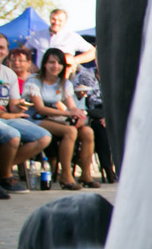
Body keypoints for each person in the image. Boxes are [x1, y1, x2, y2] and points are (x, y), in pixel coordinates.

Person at [24, 48, 98, 189]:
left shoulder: (64, 83)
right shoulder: (34, 81)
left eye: (59, 63)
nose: (55, 66)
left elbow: (71, 107)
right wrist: (68, 114)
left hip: (57, 119)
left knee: (87, 132)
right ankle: (66, 175)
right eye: (52, 62)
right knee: (70, 132)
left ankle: (85, 175)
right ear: (44, 64)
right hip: (35, 119)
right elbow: (40, 108)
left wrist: (80, 115)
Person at [0, 31, 51, 193]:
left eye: (1, 47)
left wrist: (20, 106)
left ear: (6, 51)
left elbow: (14, 106)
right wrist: (9, 114)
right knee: (13, 136)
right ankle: (6, 176)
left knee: (44, 137)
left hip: (5, 116)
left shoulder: (9, 74)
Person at [25, 8, 96, 76]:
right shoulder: (39, 35)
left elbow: (93, 52)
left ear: (65, 22)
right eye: (53, 19)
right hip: (41, 76)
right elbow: (24, 50)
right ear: (50, 19)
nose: (56, 22)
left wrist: (74, 60)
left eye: (60, 20)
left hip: (64, 77)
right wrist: (29, 63)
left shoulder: (72, 36)